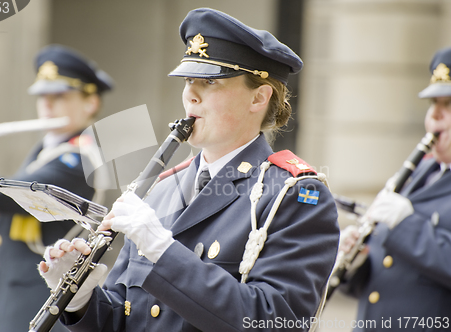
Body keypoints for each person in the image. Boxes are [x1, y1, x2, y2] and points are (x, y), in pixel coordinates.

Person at [39, 8, 339, 332]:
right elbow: (124, 319)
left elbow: (275, 322)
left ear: (259, 98)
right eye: (188, 80)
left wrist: (163, 253)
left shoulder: (292, 194)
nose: (191, 95)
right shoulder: (158, 189)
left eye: (209, 81)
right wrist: (81, 301)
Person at [0, 45, 113, 332]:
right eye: (42, 96)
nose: (47, 104)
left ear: (90, 103)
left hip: (40, 302)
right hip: (8, 295)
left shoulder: (77, 160)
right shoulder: (45, 151)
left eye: (60, 96)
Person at [338, 47, 451, 331]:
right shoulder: (422, 172)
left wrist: (406, 224)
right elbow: (390, 272)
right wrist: (356, 262)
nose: (435, 116)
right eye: (432, 104)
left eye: (448, 105)